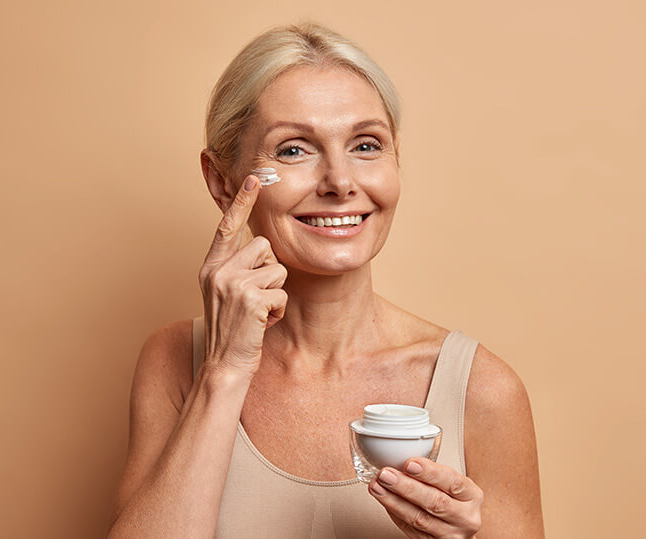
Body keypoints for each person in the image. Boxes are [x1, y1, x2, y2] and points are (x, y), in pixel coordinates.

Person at [107, 21, 544, 538]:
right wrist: (225, 369)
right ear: (222, 182)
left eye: (365, 145)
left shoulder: (483, 390)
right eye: (294, 149)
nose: (340, 182)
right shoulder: (176, 361)